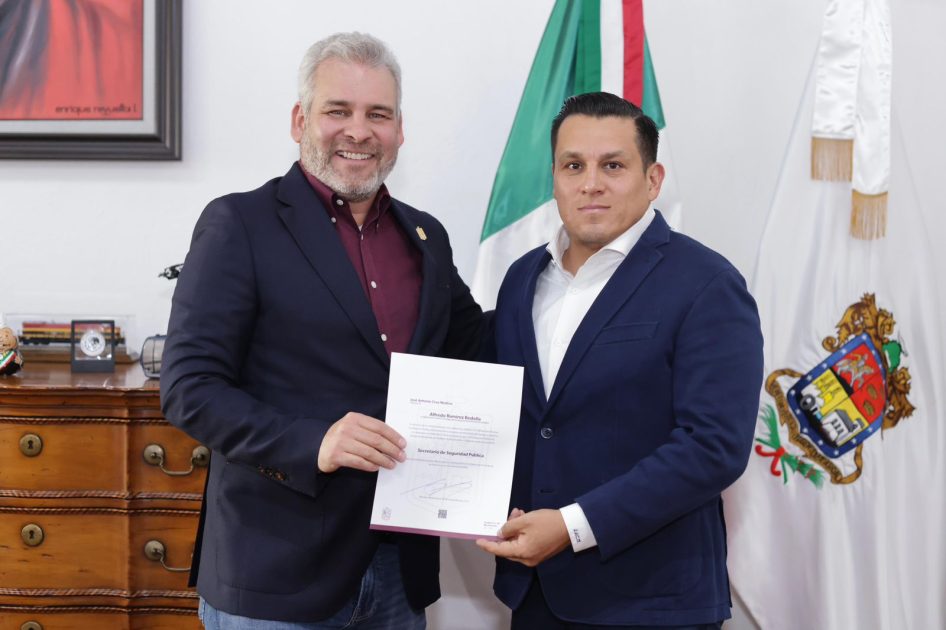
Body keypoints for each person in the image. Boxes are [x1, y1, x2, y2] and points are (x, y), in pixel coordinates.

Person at [160, 32, 484, 629]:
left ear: (399, 130)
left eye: (378, 114)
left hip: (399, 571)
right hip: (274, 574)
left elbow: (477, 348)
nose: (358, 131)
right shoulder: (239, 224)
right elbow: (189, 389)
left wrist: (563, 286)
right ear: (300, 120)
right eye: (338, 110)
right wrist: (314, 442)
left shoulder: (427, 237)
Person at [477, 92, 764, 629]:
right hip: (535, 595)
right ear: (554, 178)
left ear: (652, 180)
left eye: (613, 165)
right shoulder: (521, 279)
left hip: (652, 601)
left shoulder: (707, 284)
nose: (591, 184)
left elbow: (713, 447)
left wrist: (572, 526)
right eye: (573, 166)